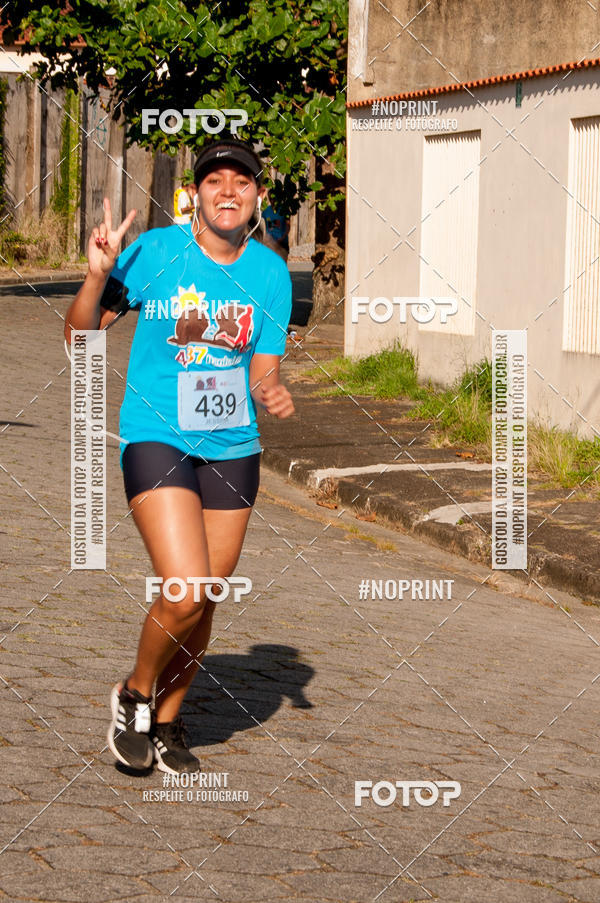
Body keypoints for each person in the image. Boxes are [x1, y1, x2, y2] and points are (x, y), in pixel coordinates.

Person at [64, 140, 294, 775]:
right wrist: (95, 274)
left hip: (233, 447)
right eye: (214, 180)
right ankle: (136, 696)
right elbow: (79, 334)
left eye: (240, 181)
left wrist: (270, 388)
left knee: (205, 599)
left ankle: (168, 721)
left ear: (257, 196)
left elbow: (261, 367)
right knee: (184, 587)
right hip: (156, 436)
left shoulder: (270, 273)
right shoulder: (156, 253)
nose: (228, 191)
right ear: (196, 194)